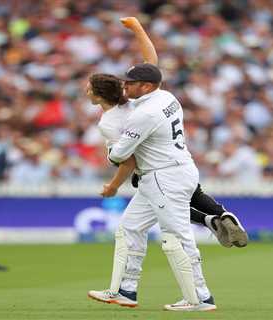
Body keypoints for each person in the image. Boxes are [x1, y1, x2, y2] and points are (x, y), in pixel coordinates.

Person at [87, 17, 246, 312]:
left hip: (163, 177)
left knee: (178, 239)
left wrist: (110, 155)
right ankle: (126, 290)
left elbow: (121, 155)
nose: (125, 86)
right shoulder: (164, 96)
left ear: (145, 86)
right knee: (129, 228)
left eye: (131, 83)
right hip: (177, 168)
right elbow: (152, 61)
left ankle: (200, 298)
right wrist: (137, 29)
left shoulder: (142, 115)